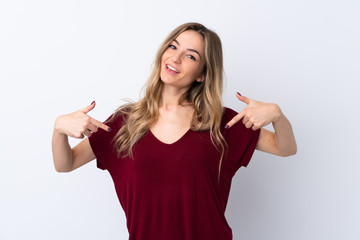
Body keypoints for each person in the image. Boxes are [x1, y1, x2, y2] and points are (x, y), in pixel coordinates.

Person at [52, 22, 297, 240]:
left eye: (190, 56)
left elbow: (285, 148)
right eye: (173, 47)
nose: (176, 58)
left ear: (202, 74)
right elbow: (66, 163)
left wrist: (278, 115)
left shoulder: (222, 123)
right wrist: (58, 129)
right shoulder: (124, 123)